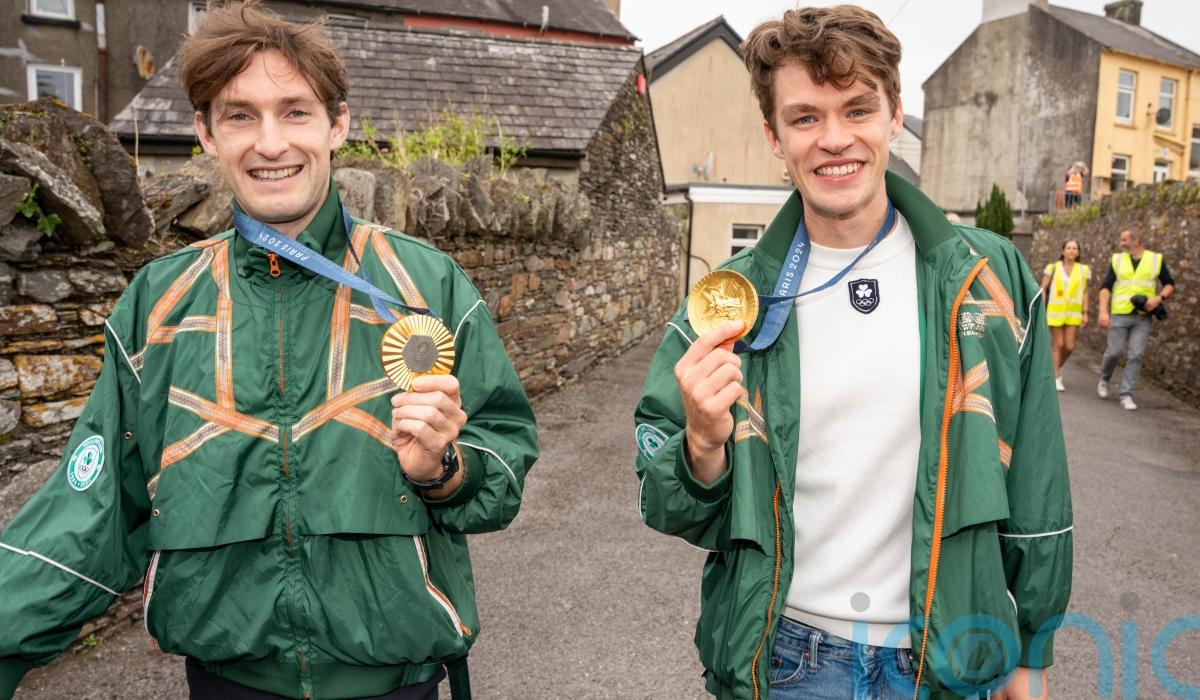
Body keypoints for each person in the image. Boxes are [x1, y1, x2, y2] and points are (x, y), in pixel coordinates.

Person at [0, 4, 537, 699]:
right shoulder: (157, 305)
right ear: (207, 133)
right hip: (227, 683)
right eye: (240, 116)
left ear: (337, 124)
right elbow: (90, 510)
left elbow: (504, 457)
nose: (270, 143)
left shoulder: (426, 284)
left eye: (295, 112)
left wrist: (445, 470)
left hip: (395, 684)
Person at [633, 6, 1072, 699]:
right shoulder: (727, 306)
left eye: (858, 109)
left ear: (894, 116)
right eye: (805, 117)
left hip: (949, 658)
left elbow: (1038, 485)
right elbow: (666, 505)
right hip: (787, 662)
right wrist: (701, 444)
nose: (834, 139)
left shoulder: (991, 280)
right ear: (774, 137)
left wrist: (1032, 651)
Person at [1097, 228, 1175, 410]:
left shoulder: (1155, 259)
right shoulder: (1117, 260)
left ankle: (1126, 394)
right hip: (1120, 313)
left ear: (1136, 240)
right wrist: (1103, 311)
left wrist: (1158, 298)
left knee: (1136, 355)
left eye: (1124, 239)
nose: (1121, 243)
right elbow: (1106, 287)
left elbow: (1169, 284)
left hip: (1143, 316)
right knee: (1113, 352)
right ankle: (1104, 379)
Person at [1040, 239, 1090, 391]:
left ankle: (1053, 369)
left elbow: (1085, 292)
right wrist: (1041, 306)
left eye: (1074, 248)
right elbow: (1043, 289)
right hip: (1055, 312)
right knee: (1058, 344)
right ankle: (1056, 376)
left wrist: (1085, 312)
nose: (1071, 251)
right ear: (1063, 251)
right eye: (1068, 248)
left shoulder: (1083, 270)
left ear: (1078, 252)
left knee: (1069, 346)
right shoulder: (1053, 268)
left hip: (1073, 313)